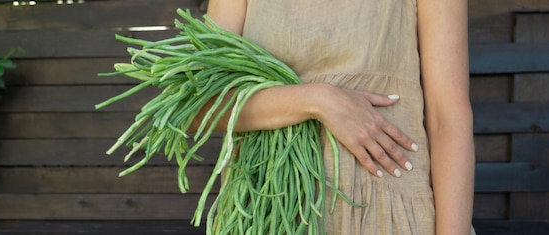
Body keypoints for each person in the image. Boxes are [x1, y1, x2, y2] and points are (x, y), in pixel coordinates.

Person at [196, 0, 476, 234]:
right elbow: (199, 104)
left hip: (389, 213)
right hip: (270, 211)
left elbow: (447, 119)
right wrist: (319, 100)